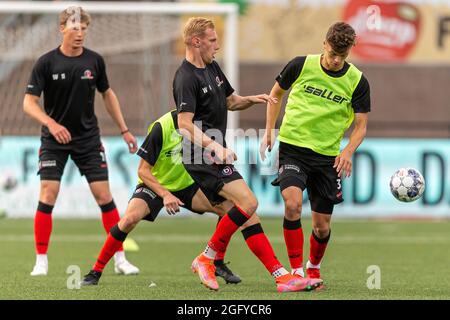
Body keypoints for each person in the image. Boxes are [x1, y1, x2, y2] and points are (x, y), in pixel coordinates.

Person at [174, 17, 323, 292]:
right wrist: (214, 146)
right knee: (249, 202)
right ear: (196, 41)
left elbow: (231, 101)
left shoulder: (212, 67)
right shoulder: (185, 77)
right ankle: (206, 258)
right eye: (212, 39)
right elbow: (184, 124)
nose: (217, 45)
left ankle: (281, 277)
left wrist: (252, 99)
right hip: (199, 153)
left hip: (210, 152)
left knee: (246, 215)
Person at [23, 6, 139, 276]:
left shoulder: (95, 61)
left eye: (84, 28)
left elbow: (107, 95)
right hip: (54, 140)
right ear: (62, 28)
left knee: (104, 196)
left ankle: (120, 258)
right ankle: (41, 261)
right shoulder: (46, 63)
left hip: (88, 140)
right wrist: (51, 124)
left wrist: (124, 129)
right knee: (47, 194)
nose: (79, 33)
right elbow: (28, 103)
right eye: (74, 27)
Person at [260, 22, 371, 286]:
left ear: (349, 52)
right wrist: (269, 130)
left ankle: (313, 267)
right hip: (293, 149)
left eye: (341, 57)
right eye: (332, 53)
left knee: (322, 227)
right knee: (293, 205)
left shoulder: (357, 81)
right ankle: (296, 272)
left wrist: (348, 150)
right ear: (324, 44)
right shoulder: (300, 65)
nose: (335, 60)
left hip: (327, 158)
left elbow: (361, 126)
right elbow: (275, 94)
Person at [80, 110, 242, 286]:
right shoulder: (161, 127)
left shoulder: (202, 126)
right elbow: (142, 170)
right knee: (128, 220)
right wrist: (165, 194)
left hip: (187, 185)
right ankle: (95, 272)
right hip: (155, 185)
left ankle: (217, 261)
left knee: (229, 209)